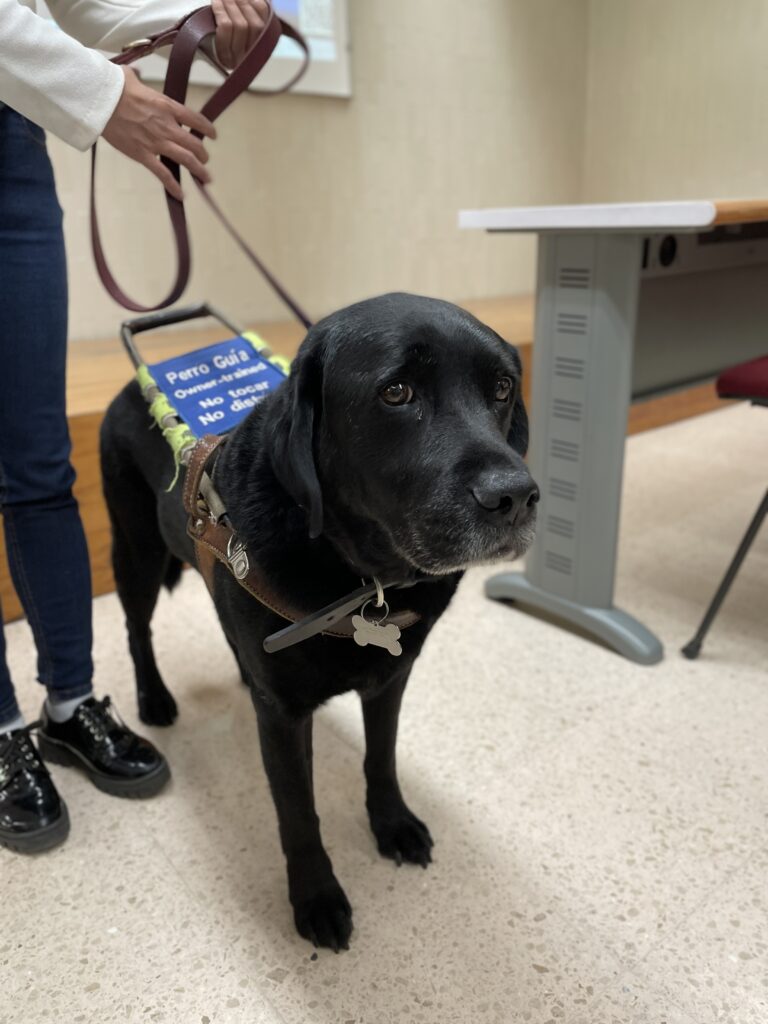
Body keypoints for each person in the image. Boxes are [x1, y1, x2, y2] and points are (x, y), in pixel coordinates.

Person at [0, 0, 269, 853]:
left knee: (41, 466)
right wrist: (102, 95)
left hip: (11, 143)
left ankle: (70, 706)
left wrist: (189, 10)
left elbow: (68, 4)